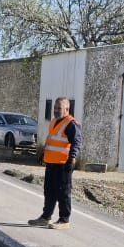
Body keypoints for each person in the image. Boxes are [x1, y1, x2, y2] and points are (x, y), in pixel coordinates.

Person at [28, 97, 82, 229]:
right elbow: (51, 140)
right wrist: (43, 154)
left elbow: (77, 142)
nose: (56, 110)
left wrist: (72, 158)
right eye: (55, 108)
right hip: (51, 163)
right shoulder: (54, 122)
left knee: (63, 193)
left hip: (63, 164)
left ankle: (64, 220)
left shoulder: (71, 124)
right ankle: (45, 217)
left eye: (59, 108)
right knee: (49, 192)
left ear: (67, 109)